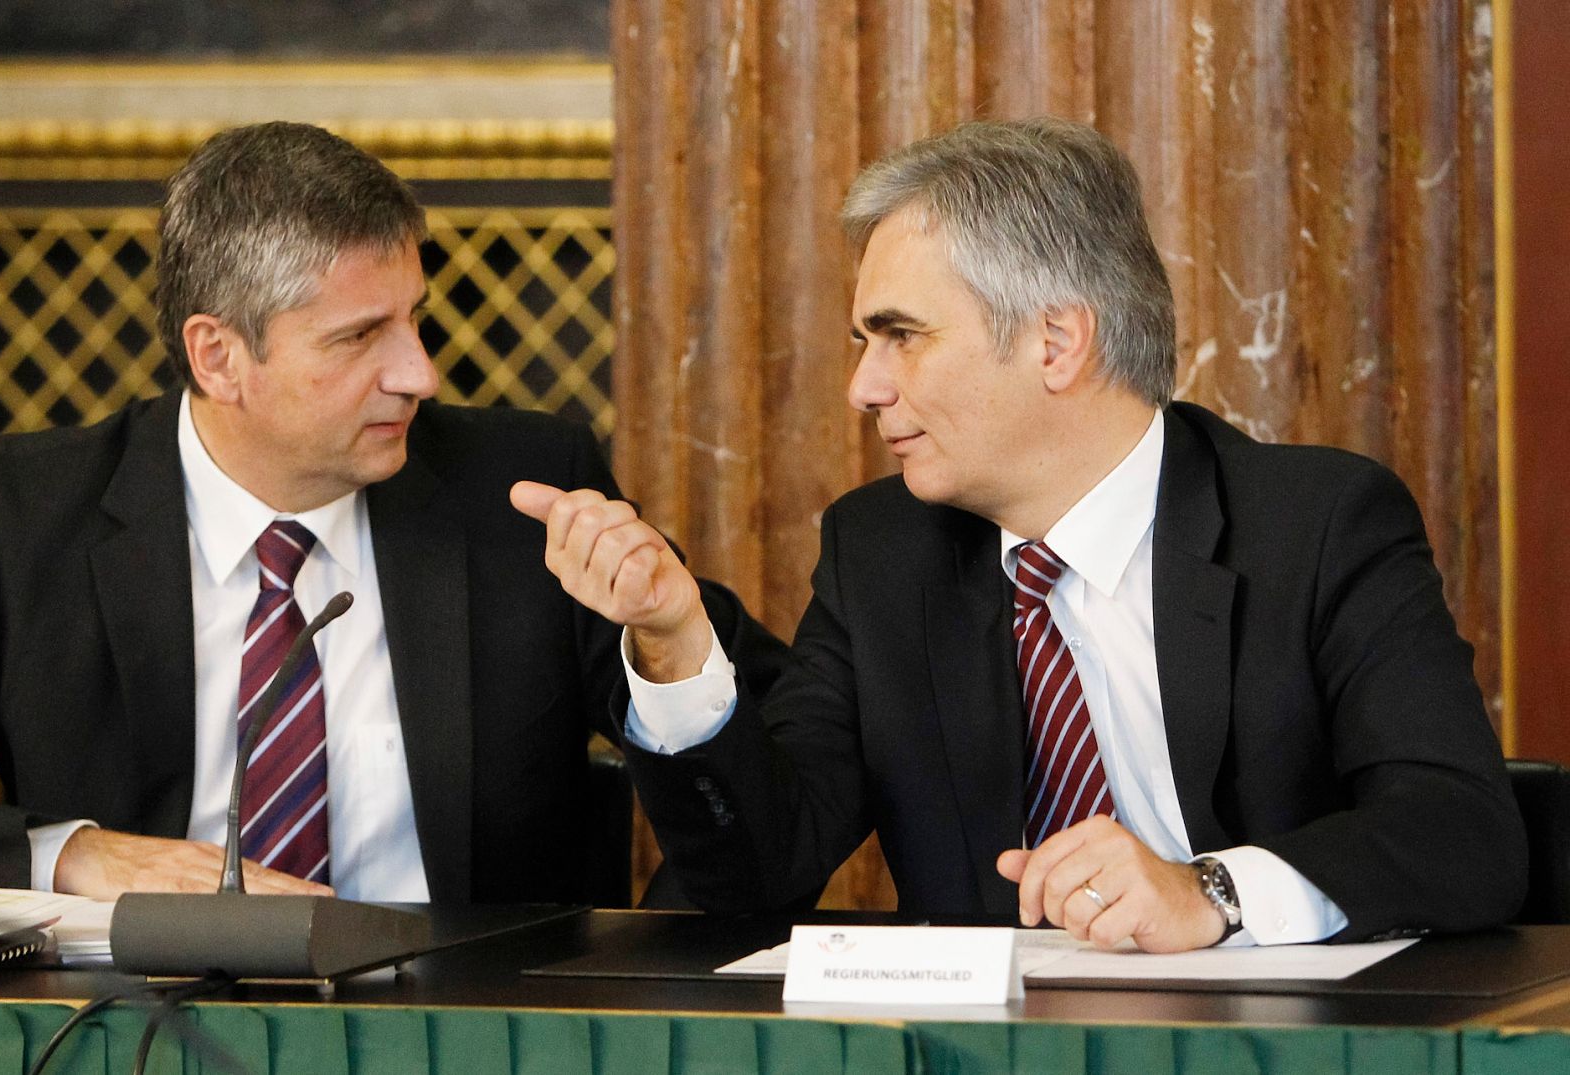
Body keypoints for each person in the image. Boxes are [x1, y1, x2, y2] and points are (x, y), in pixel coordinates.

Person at [511, 117, 1526, 952]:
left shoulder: (1312, 524)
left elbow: (1461, 833)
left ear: (1054, 340)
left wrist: (1205, 893)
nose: (863, 387)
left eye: (900, 336)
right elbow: (756, 870)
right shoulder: (881, 551)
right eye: (863, 343)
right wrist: (676, 644)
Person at [0, 121, 785, 904]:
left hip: (462, 1037)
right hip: (130, 1036)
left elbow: (780, 782)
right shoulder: (20, 519)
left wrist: (666, 642)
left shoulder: (522, 489)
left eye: (414, 318)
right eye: (361, 336)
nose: (418, 372)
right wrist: (77, 858)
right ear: (218, 357)